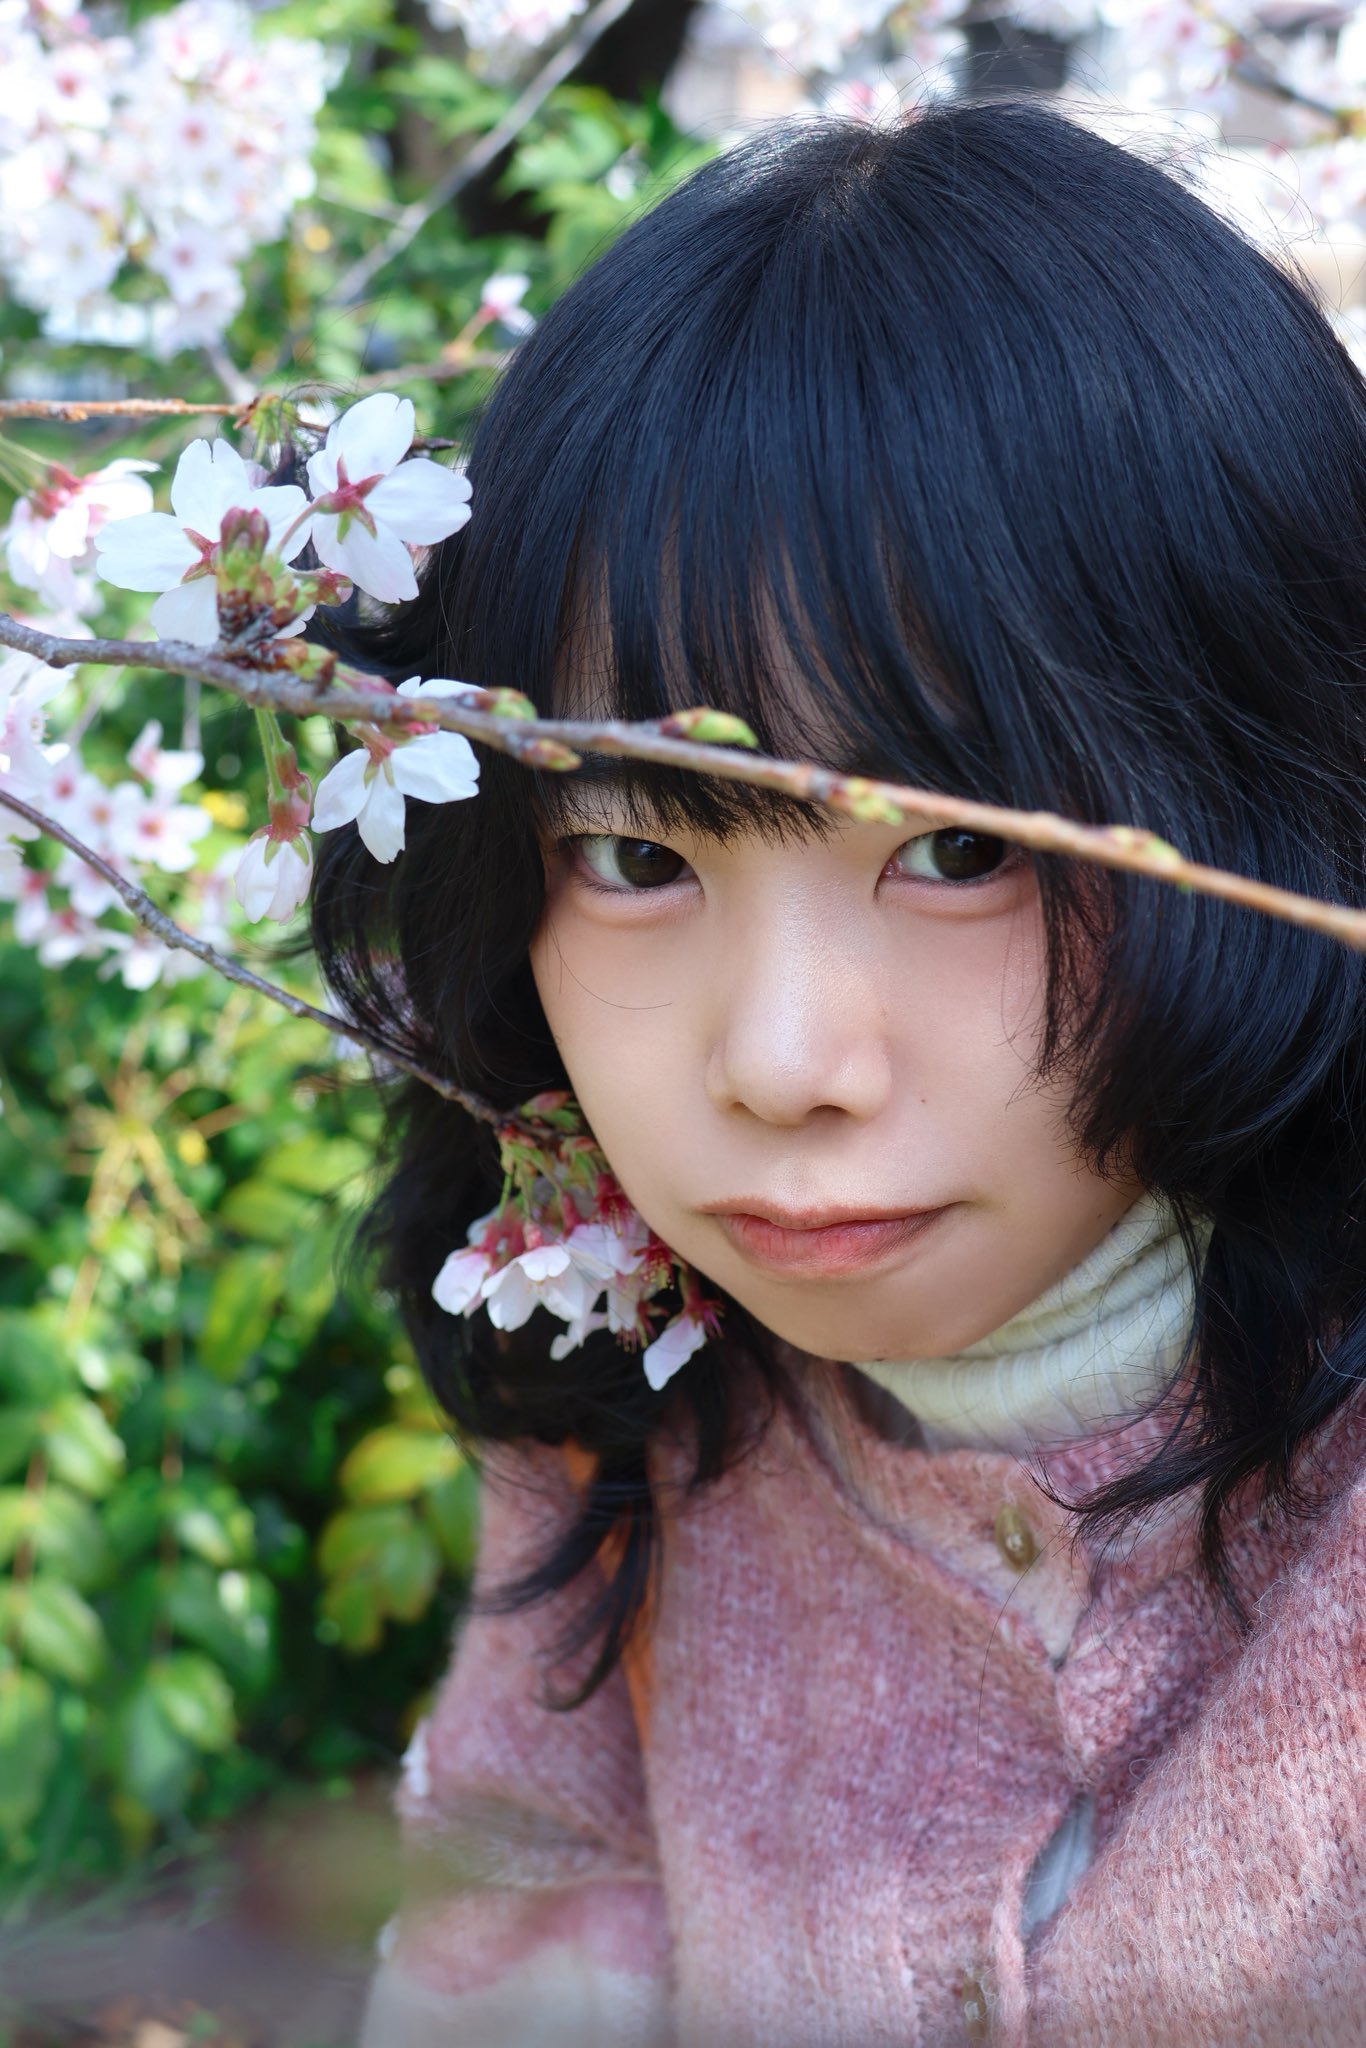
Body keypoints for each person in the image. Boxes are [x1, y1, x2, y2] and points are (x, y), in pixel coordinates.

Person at [307, 93, 1366, 2047]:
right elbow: (519, 1910)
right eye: (635, 859)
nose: (782, 1063)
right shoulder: (625, 1417)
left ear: (1271, 803)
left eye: (958, 849)